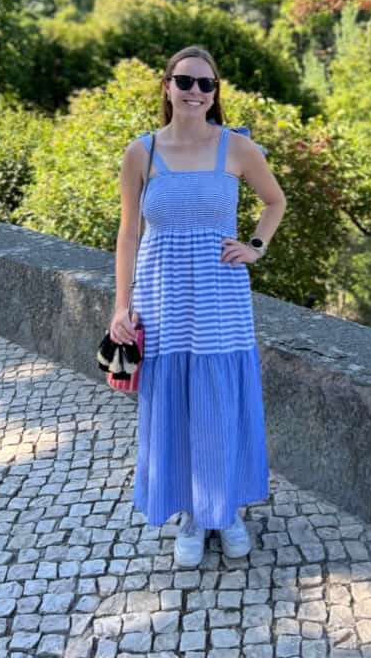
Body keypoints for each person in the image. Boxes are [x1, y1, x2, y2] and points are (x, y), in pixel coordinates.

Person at [109, 45, 287, 568]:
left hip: (220, 297)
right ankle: (190, 510)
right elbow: (127, 233)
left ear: (216, 93)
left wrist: (255, 247)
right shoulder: (140, 151)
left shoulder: (236, 148)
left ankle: (225, 508)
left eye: (206, 84)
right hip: (161, 297)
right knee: (176, 403)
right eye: (185, 81)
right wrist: (121, 305)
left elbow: (275, 202)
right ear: (166, 86)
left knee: (218, 401)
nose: (195, 92)